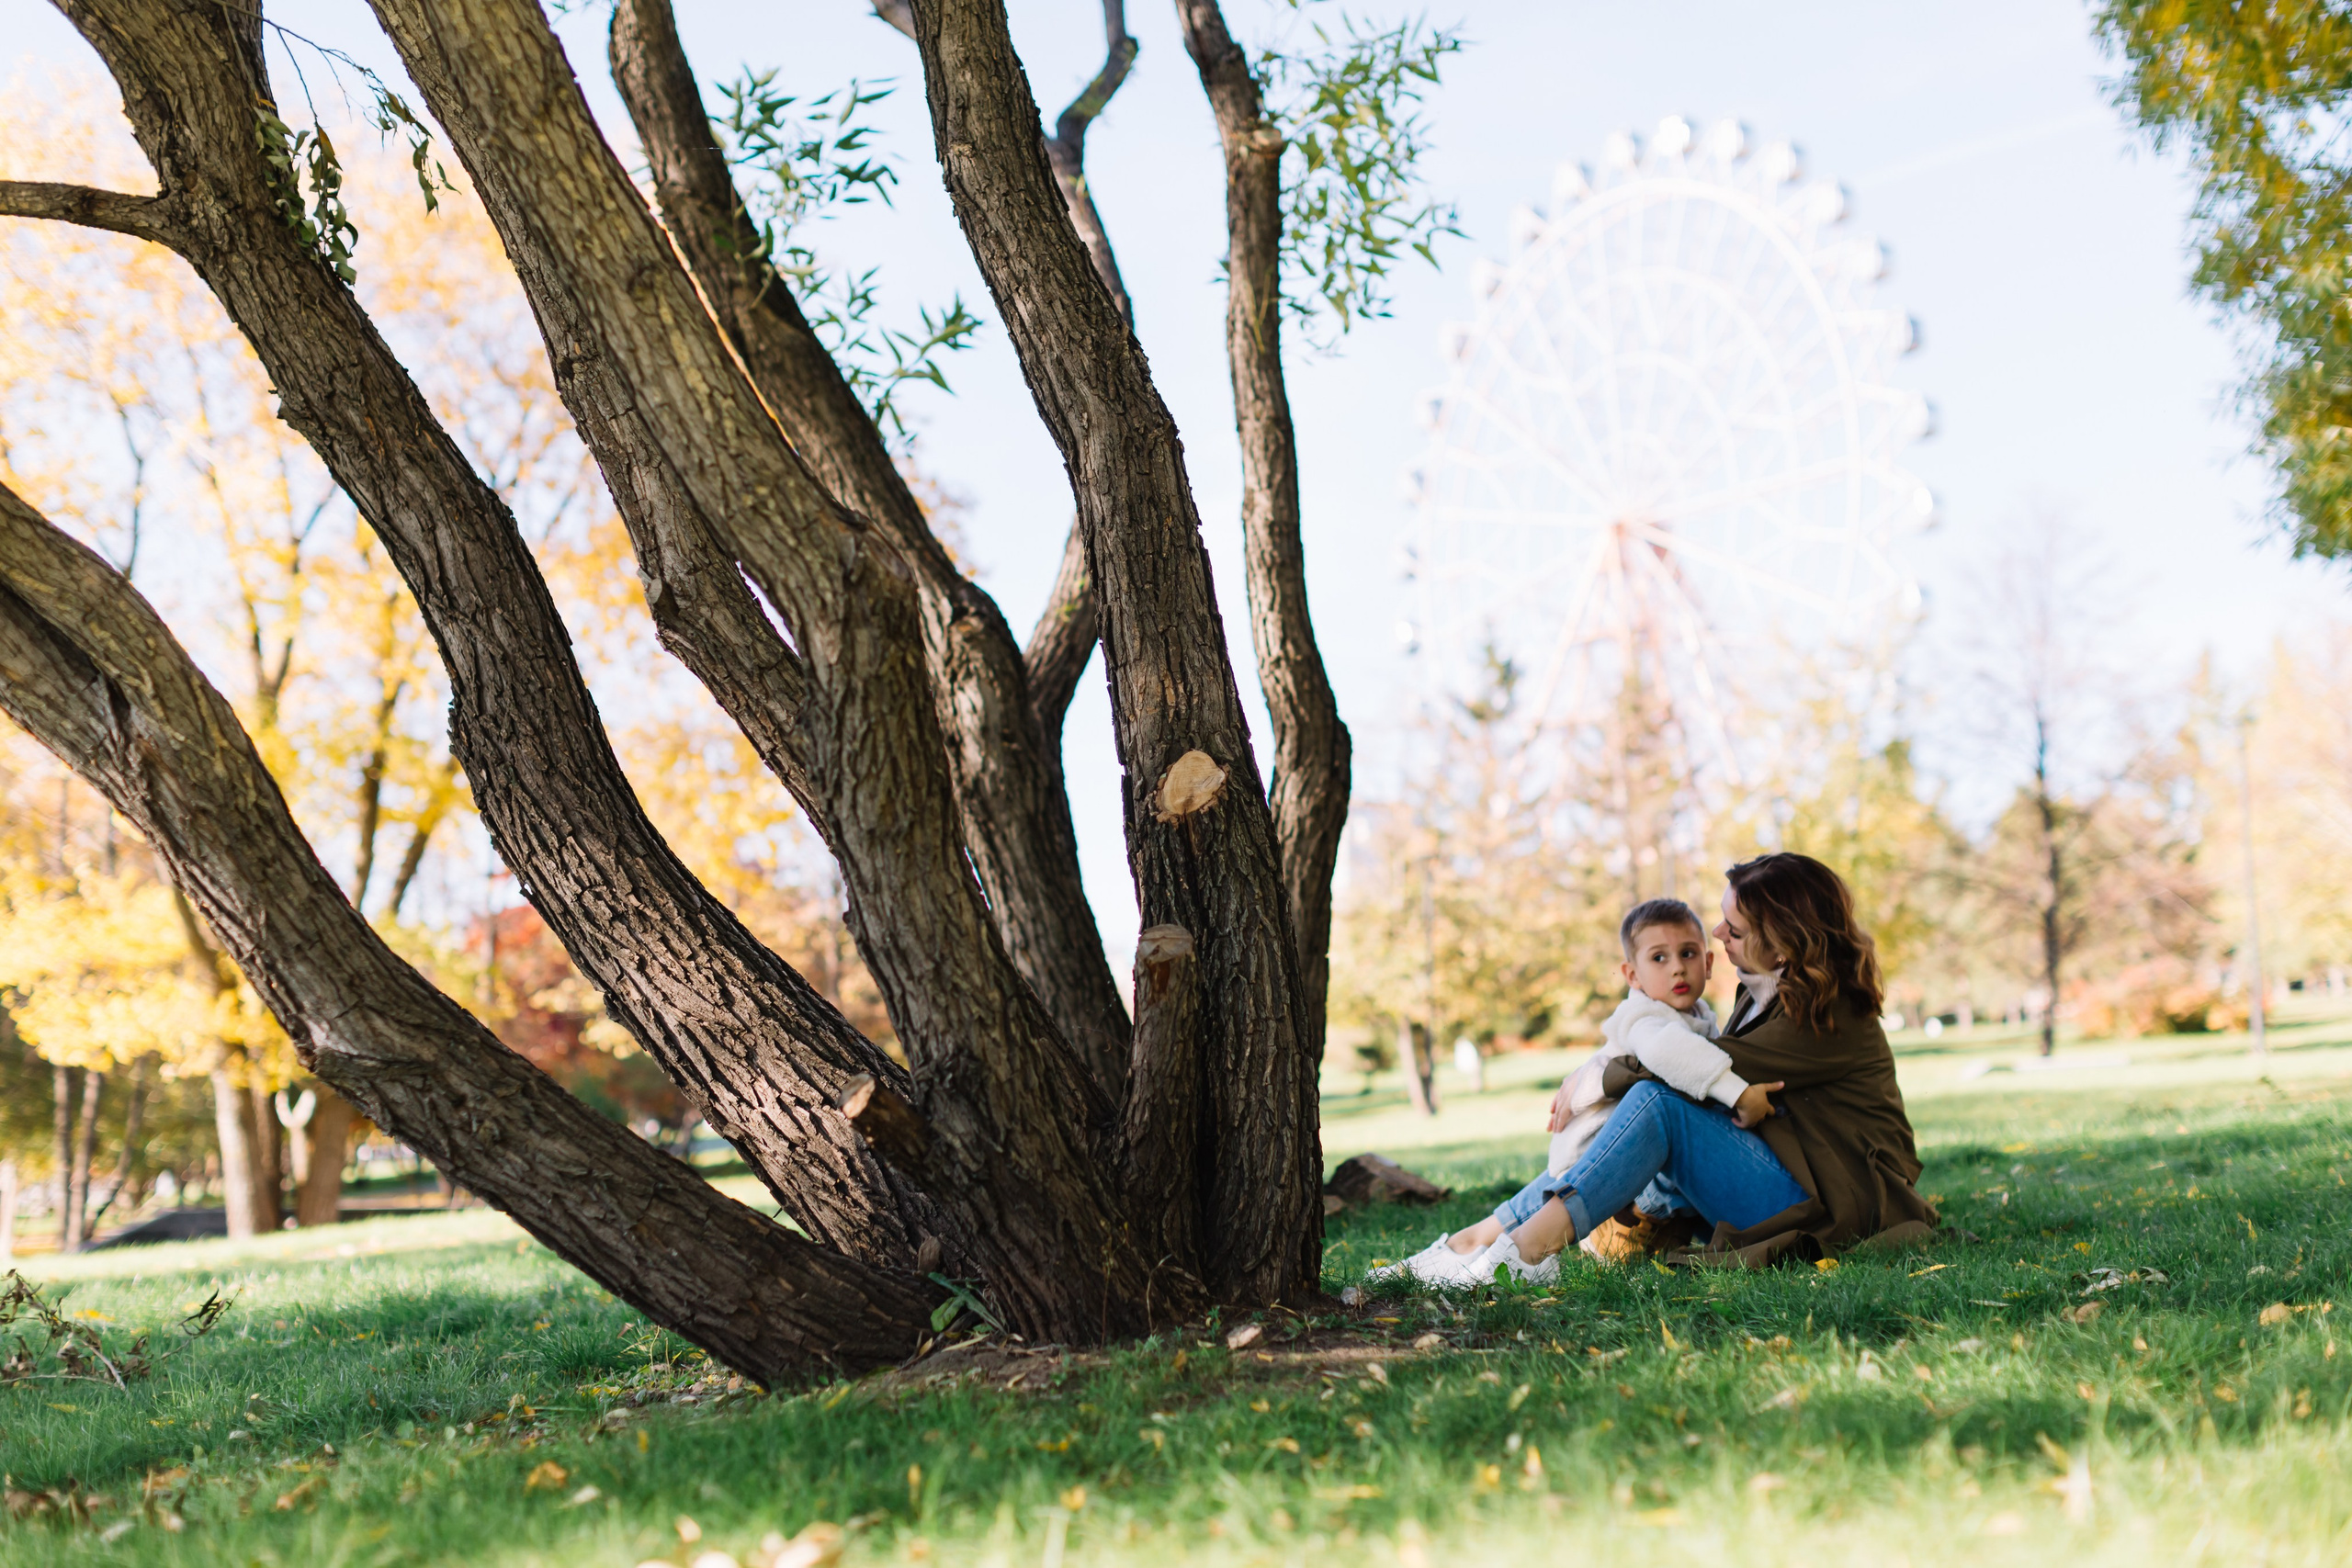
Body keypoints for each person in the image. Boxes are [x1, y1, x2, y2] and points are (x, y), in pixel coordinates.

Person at [1382, 854, 1939, 1286]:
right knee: (1644, 1119)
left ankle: (1523, 1253)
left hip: (1840, 1208)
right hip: (1800, 1179)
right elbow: (1693, 1069)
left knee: (1660, 1108)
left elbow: (1684, 1069)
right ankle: (1475, 1243)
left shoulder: (1825, 1013)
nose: (1718, 936)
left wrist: (1596, 1077)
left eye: (1734, 929)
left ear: (1785, 943)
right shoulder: (1768, 992)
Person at [1372, 897, 1781, 1287]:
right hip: (1600, 1147)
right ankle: (1494, 1250)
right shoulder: (1644, 1016)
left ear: (1709, 964)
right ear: (1633, 977)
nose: (1677, 968)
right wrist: (1738, 1094)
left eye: (1688, 954)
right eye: (1659, 958)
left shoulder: (1700, 1017)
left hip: (1630, 1153)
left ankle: (1470, 1243)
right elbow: (1666, 1052)